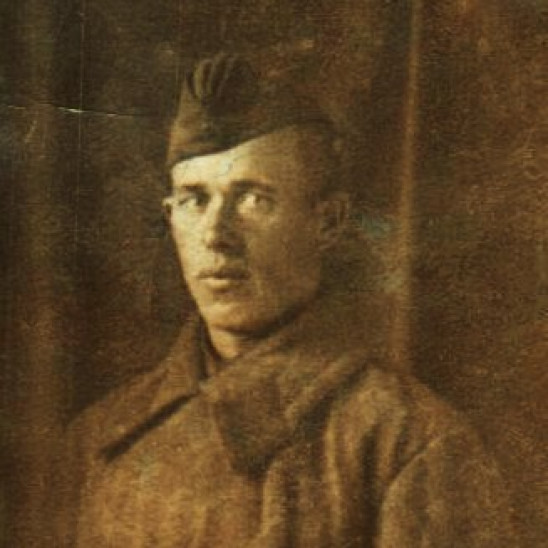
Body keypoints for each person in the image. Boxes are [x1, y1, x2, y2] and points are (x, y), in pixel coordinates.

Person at [52, 53, 518, 547]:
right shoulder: (97, 441)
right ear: (170, 216)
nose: (215, 234)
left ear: (328, 221)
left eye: (253, 198)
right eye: (194, 200)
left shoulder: (408, 444)